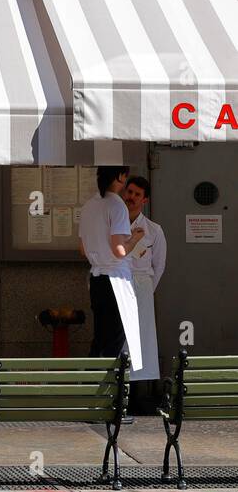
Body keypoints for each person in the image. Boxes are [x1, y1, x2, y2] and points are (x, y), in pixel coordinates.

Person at [78, 167, 145, 373]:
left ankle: (90, 385)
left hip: (96, 279)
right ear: (119, 177)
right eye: (125, 175)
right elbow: (119, 250)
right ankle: (107, 393)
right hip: (116, 279)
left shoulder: (90, 204)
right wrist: (134, 238)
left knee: (100, 337)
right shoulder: (117, 205)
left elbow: (82, 249)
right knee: (115, 339)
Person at [122, 175, 166, 406]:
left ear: (145, 200)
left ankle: (138, 397)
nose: (131, 197)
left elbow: (158, 265)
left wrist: (146, 291)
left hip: (142, 287)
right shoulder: (114, 225)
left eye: (137, 194)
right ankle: (117, 395)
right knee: (118, 339)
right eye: (129, 192)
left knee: (141, 341)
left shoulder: (153, 230)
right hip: (118, 284)